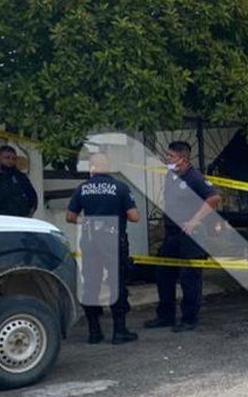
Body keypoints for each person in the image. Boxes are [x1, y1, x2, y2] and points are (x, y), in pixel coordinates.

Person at [144, 141, 220, 333]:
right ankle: (165, 315)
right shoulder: (171, 176)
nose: (167, 159)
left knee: (189, 278)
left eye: (171, 156)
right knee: (164, 273)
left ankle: (189, 318)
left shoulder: (194, 177)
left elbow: (214, 198)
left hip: (191, 235)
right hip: (172, 233)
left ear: (183, 159)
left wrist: (194, 221)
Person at [66, 152, 141, 345]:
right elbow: (134, 217)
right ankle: (119, 331)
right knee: (117, 284)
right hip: (113, 240)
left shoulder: (83, 188)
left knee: (91, 284)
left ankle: (94, 332)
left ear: (91, 167)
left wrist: (88, 222)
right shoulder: (120, 187)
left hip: (91, 241)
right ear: (108, 167)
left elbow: (70, 217)